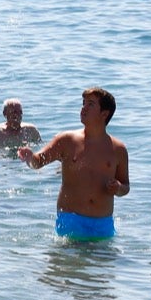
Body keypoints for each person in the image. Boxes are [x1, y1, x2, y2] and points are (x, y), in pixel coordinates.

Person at [19, 87, 129, 241]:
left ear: (104, 114)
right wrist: (30, 158)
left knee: (104, 264)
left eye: (90, 104)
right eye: (83, 103)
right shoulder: (67, 140)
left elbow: (125, 187)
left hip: (103, 224)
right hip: (71, 220)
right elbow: (38, 162)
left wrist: (118, 188)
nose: (83, 108)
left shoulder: (118, 149)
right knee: (68, 263)